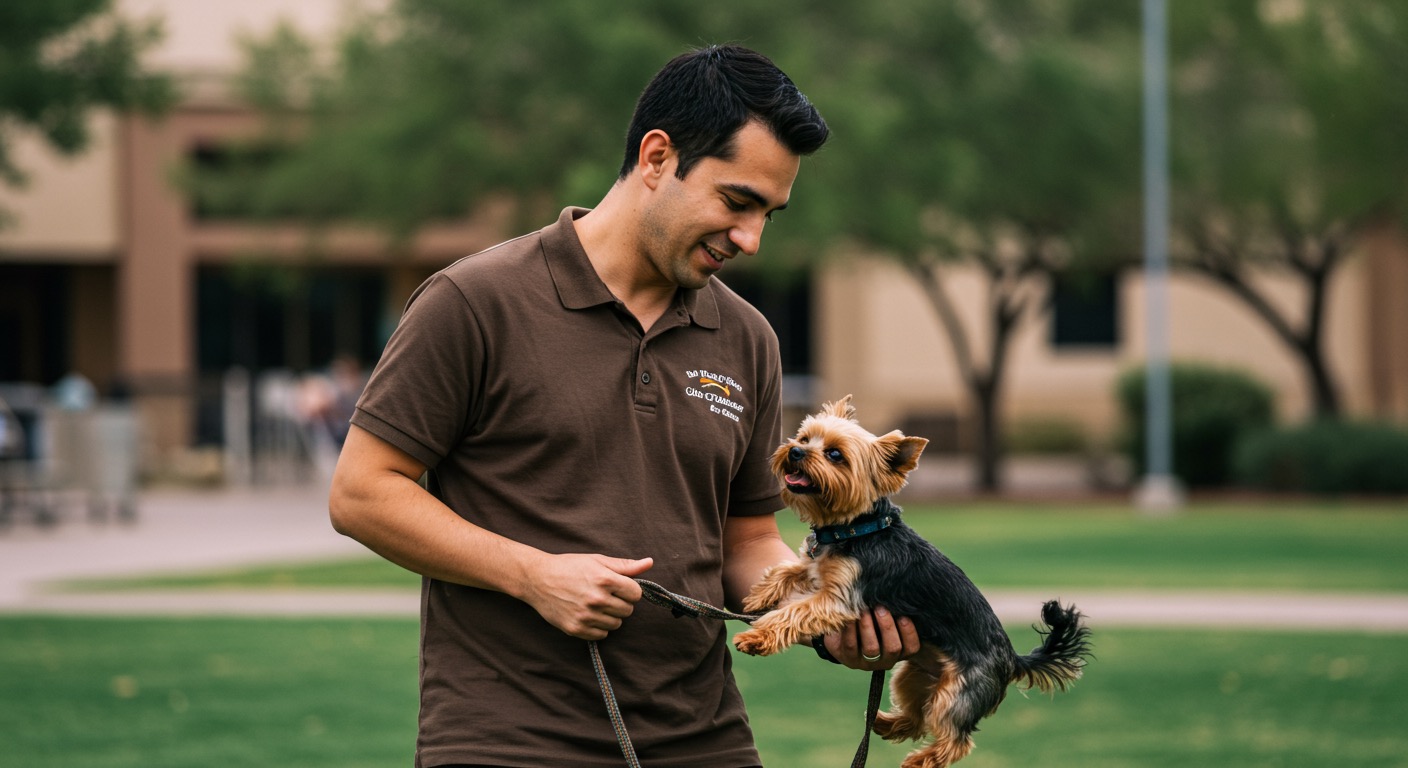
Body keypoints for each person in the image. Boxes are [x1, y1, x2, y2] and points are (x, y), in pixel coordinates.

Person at [329, 44, 919, 768]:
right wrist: (532, 575)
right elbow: (362, 493)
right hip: (506, 742)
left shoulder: (747, 338)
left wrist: (825, 618)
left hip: (705, 740)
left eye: (769, 213)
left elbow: (746, 542)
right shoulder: (474, 303)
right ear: (657, 158)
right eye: (737, 202)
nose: (752, 239)